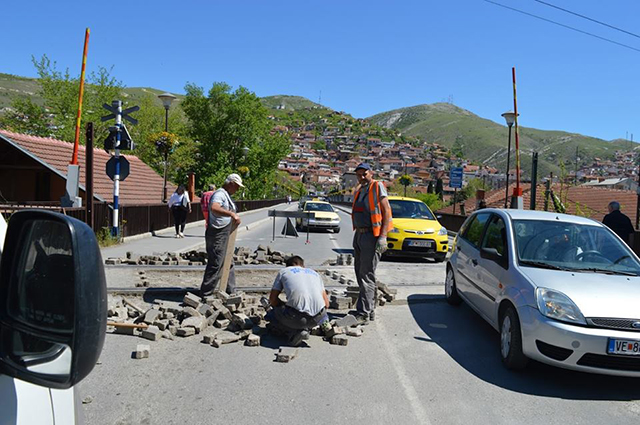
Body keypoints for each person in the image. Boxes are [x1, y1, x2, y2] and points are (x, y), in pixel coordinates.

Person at [351, 163, 393, 324]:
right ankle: (369, 308)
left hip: (371, 235)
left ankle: (364, 313)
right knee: (360, 273)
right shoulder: (360, 189)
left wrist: (383, 237)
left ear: (371, 173)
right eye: (359, 175)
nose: (361, 177)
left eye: (364, 174)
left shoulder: (377, 186)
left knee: (366, 275)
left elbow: (387, 211)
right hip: (359, 235)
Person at [266, 255, 330, 346]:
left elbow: (272, 300)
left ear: (288, 266)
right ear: (302, 265)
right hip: (317, 319)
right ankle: (326, 326)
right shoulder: (315, 273)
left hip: (297, 319)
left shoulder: (284, 272)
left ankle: (293, 333)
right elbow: (327, 304)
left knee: (273, 313)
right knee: (320, 310)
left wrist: (282, 305)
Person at [200, 174, 243, 295]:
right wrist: (231, 214)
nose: (238, 190)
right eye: (237, 187)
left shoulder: (226, 195)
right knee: (216, 262)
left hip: (223, 231)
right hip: (217, 233)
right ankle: (206, 293)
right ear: (231, 184)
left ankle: (231, 291)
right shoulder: (219, 194)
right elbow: (214, 207)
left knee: (228, 261)